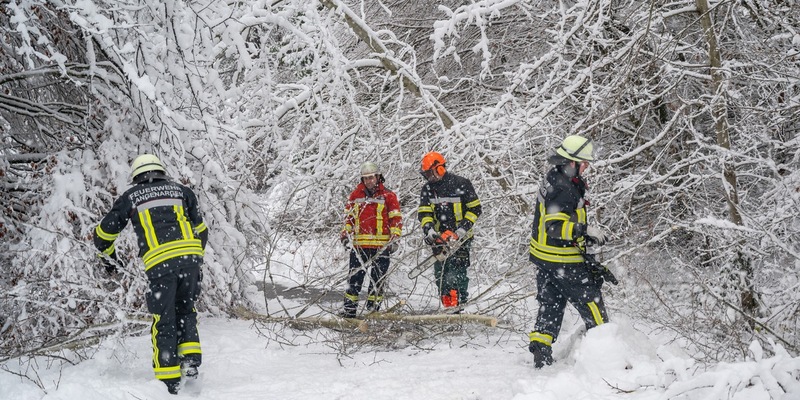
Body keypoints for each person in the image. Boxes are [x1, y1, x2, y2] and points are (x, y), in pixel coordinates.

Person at [93, 154, 208, 394]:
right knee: (185, 309)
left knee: (163, 317)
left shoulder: (130, 197)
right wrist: (195, 260)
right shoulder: (182, 191)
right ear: (161, 171)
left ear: (136, 176)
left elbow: (102, 236)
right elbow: (202, 230)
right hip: (190, 260)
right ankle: (189, 362)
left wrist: (112, 261)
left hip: (161, 264)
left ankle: (168, 381)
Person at [527, 135, 610, 368]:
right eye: (584, 163)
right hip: (562, 259)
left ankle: (541, 353)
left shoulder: (555, 177)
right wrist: (586, 230)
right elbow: (554, 226)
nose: (587, 167)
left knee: (550, 304)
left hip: (544, 258)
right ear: (571, 162)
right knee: (592, 303)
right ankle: (607, 349)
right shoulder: (564, 187)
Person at [417, 151, 482, 310]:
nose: (428, 177)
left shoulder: (462, 184)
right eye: (426, 174)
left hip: (462, 238)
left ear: (439, 169)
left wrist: (461, 230)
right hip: (439, 239)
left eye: (430, 173)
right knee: (441, 274)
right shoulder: (428, 189)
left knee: (456, 273)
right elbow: (424, 213)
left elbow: (475, 209)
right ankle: (448, 307)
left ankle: (458, 306)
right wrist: (429, 230)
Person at [339, 162, 402, 318]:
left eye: (371, 177)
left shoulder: (388, 195)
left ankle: (372, 311)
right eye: (365, 178)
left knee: (377, 281)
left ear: (378, 177)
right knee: (354, 279)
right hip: (360, 246)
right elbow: (349, 218)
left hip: (382, 247)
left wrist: (394, 239)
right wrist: (345, 235)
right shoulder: (355, 195)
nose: (369, 181)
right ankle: (349, 310)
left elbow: (396, 219)